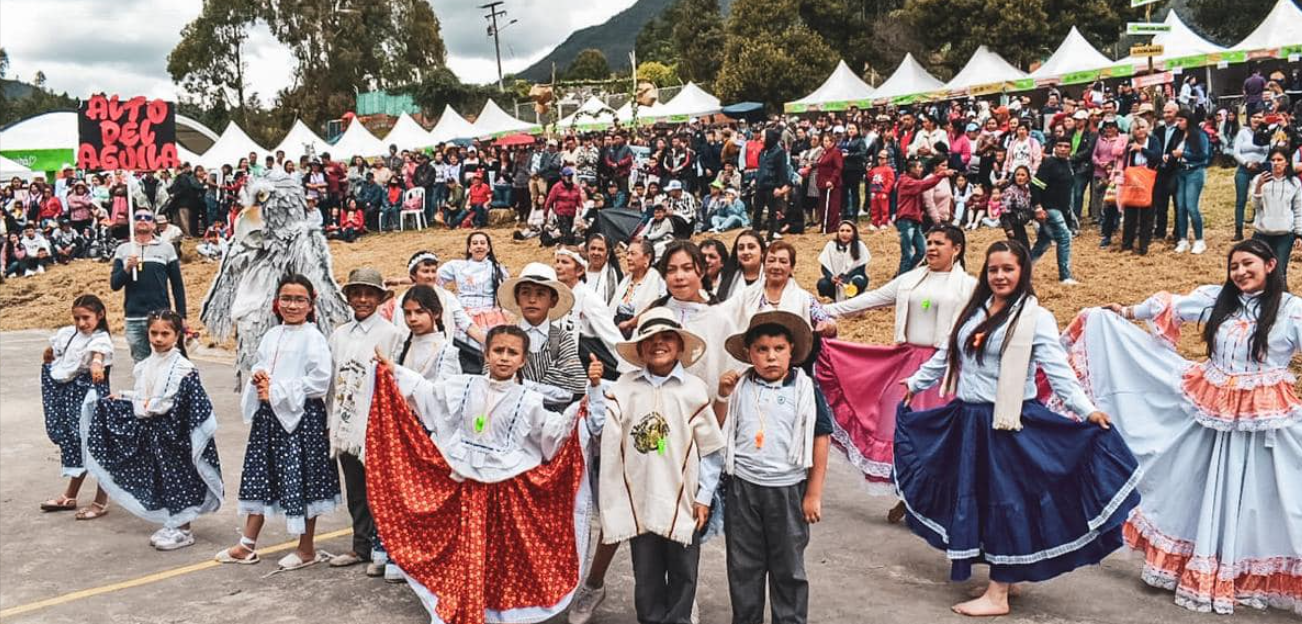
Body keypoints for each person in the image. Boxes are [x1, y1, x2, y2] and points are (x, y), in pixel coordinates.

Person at [898, 240, 1139, 616]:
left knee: (1006, 503)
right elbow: (948, 355)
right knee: (982, 498)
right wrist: (915, 383)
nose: (1000, 276)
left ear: (1022, 272)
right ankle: (1006, 574)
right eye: (993, 269)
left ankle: (998, 594)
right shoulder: (972, 311)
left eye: (1008, 269)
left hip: (1009, 425)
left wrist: (1087, 411)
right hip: (969, 421)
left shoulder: (1035, 317)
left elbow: (1058, 372)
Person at [1079, 240, 1302, 615]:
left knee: (1264, 497)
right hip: (1212, 410)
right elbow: (1170, 305)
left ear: (1270, 264)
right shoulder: (1219, 300)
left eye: (1248, 264)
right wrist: (1125, 311)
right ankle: (1199, 563)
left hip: (1265, 419)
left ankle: (1240, 571)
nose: (1241, 272)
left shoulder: (1292, 311)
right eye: (1234, 266)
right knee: (1197, 485)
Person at [819, 226, 976, 508]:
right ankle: (908, 493)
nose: (931, 248)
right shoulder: (911, 280)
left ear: (957, 249)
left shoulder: (969, 287)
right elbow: (873, 298)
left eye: (939, 243)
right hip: (907, 363)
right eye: (929, 242)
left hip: (945, 370)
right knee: (900, 429)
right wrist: (825, 310)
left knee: (937, 435)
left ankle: (930, 497)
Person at [598, 308, 724, 624]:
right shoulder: (624, 389)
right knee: (647, 574)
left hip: (683, 500)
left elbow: (710, 450)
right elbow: (606, 432)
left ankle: (679, 619)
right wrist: (593, 389)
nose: (659, 344)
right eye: (649, 339)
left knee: (684, 573)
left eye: (667, 337)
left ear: (680, 346)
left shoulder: (693, 390)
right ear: (639, 348)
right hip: (640, 499)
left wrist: (704, 496)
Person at [217, 274, 340, 571]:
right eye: (286, 298)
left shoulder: (314, 338)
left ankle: (306, 547)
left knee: (302, 480)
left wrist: (277, 390)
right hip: (270, 418)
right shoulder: (272, 335)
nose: (292, 305)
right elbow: (262, 362)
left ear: (311, 304)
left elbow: (320, 382)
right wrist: (260, 377)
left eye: (299, 300)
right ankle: (247, 544)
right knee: (262, 475)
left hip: (301, 419)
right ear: (277, 301)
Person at [715, 310, 831, 624]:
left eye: (778, 349)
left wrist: (813, 493)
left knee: (788, 568)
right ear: (749, 353)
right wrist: (722, 396)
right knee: (744, 566)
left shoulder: (805, 390)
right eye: (762, 350)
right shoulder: (740, 387)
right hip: (743, 489)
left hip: (789, 490)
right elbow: (718, 428)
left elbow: (821, 439)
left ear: (792, 351)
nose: (770, 357)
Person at [81, 309, 223, 550]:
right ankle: (173, 522)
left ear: (177, 335)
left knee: (180, 479)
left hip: (174, 435)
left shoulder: (182, 368)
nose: (158, 339)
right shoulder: (148, 363)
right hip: (156, 433)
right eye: (154, 333)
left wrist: (143, 406)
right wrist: (125, 397)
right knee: (163, 478)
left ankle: (184, 528)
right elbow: (147, 394)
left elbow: (168, 402)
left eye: (165, 334)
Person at [324, 268, 404, 576]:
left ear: (380, 298)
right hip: (345, 422)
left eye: (369, 293)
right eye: (356, 293)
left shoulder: (391, 334)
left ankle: (384, 548)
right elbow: (332, 382)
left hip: (376, 423)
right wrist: (332, 419)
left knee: (380, 488)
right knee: (356, 487)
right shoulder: (339, 335)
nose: (362, 299)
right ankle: (361, 544)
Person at [39, 294, 113, 519]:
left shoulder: (100, 339)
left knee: (95, 446)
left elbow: (98, 355)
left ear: (100, 316)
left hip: (88, 399)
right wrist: (50, 356)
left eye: (86, 318)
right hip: (69, 397)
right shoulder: (68, 334)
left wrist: (97, 364)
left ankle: (101, 501)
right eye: (77, 318)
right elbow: (52, 352)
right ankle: (70, 494)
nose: (82, 323)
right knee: (75, 443)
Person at [498, 262, 588, 411]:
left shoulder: (562, 341)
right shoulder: (503, 337)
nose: (532, 300)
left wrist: (522, 384)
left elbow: (569, 391)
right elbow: (492, 381)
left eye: (540, 294)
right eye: (526, 293)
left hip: (550, 420)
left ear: (552, 300)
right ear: (517, 298)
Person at [111, 209, 187, 362]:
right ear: (133, 223)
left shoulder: (166, 248)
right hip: (134, 316)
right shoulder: (123, 250)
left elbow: (177, 285)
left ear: (154, 225)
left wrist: (181, 315)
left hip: (160, 315)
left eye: (147, 218)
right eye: (138, 217)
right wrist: (127, 268)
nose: (143, 220)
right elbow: (115, 284)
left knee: (165, 359)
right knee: (141, 363)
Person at [437, 231, 510, 341]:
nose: (479, 246)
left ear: (488, 248)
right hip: (462, 314)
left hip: (490, 316)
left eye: (482, 243)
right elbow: (431, 278)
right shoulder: (457, 266)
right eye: (475, 243)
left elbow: (506, 293)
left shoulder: (497, 269)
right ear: (469, 248)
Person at [1029, 136, 1078, 285]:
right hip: (1049, 208)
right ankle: (1065, 276)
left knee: (1043, 242)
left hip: (1062, 208)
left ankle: (1024, 269)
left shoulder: (1068, 163)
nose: (1063, 149)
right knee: (1064, 237)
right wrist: (1037, 207)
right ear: (1055, 147)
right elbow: (1035, 186)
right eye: (1060, 145)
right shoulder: (1048, 163)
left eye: (1066, 146)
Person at [1250, 148, 1302, 281]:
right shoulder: (1259, 179)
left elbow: (1298, 209)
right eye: (1273, 160)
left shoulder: (1294, 183)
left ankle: (1281, 298)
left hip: (1284, 235)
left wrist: (1299, 234)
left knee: (1280, 272)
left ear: (1287, 162)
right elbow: (1255, 205)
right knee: (1260, 270)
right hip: (1262, 233)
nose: (1276, 163)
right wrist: (1259, 187)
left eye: (1280, 160)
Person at [895, 158, 949, 276]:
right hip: (906, 220)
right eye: (919, 167)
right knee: (907, 254)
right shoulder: (906, 182)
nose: (921, 169)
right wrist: (942, 175)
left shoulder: (912, 181)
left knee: (921, 251)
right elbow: (924, 185)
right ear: (911, 169)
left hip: (915, 220)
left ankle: (904, 274)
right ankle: (901, 280)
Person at [1119, 118, 1163, 255]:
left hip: (1149, 179)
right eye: (1137, 128)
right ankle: (1127, 245)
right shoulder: (1130, 143)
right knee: (1130, 213)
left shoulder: (1153, 140)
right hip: (1133, 179)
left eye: (1143, 127)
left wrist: (1142, 149)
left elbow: (1157, 156)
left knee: (1147, 213)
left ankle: (1144, 245)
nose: (1141, 131)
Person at [1171, 108, 1210, 255]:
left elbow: (1204, 155)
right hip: (1180, 171)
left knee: (1191, 206)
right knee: (1180, 207)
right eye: (1178, 120)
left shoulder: (1200, 135)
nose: (1179, 123)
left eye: (1181, 120)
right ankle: (1183, 239)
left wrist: (1184, 153)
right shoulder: (1179, 135)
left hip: (1194, 171)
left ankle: (1199, 240)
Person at [612, 239, 666, 335]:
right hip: (617, 326)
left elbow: (656, 306)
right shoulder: (626, 280)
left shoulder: (656, 280)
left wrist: (630, 324)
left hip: (640, 329)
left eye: (633, 254)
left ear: (647, 257)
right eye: (627, 254)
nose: (628, 258)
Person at [1232, 110, 1270, 241]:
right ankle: (1238, 230)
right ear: (1250, 118)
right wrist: (1247, 163)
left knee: (1260, 198)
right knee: (1241, 200)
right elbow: (1236, 152)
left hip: (1260, 168)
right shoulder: (1243, 133)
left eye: (1260, 117)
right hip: (1244, 168)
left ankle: (1259, 229)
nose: (1257, 119)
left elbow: (1269, 151)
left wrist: (1261, 163)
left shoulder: (1267, 133)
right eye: (1254, 117)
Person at [816, 220, 870, 302]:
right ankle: (834, 298)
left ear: (853, 233)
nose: (844, 234)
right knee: (822, 284)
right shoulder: (831, 245)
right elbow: (824, 267)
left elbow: (860, 269)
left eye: (848, 231)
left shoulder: (859, 246)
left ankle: (854, 299)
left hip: (852, 278)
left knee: (858, 281)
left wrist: (846, 278)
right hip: (836, 281)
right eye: (842, 230)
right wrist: (831, 277)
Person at [715, 230, 767, 302]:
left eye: (751, 247)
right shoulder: (726, 275)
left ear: (762, 252)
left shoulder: (771, 276)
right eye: (741, 248)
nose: (745, 252)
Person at [816, 133, 844, 233]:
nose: (825, 143)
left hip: (832, 183)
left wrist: (832, 180)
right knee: (822, 206)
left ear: (832, 142)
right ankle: (824, 224)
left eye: (827, 141)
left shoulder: (836, 152)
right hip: (822, 182)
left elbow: (838, 168)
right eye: (824, 141)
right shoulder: (824, 153)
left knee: (833, 206)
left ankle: (832, 227)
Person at [584, 233, 622, 306]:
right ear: (587, 250)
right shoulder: (578, 272)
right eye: (593, 248)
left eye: (600, 249)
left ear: (607, 252)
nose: (596, 253)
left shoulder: (616, 275)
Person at [867, 150, 896, 231]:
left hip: (883, 192)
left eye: (883, 158)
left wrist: (886, 191)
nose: (880, 160)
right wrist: (869, 171)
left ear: (887, 159)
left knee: (884, 208)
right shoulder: (875, 169)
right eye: (879, 158)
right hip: (874, 191)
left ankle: (883, 222)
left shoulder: (889, 169)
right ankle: (874, 223)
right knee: (874, 208)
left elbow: (891, 181)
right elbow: (870, 178)